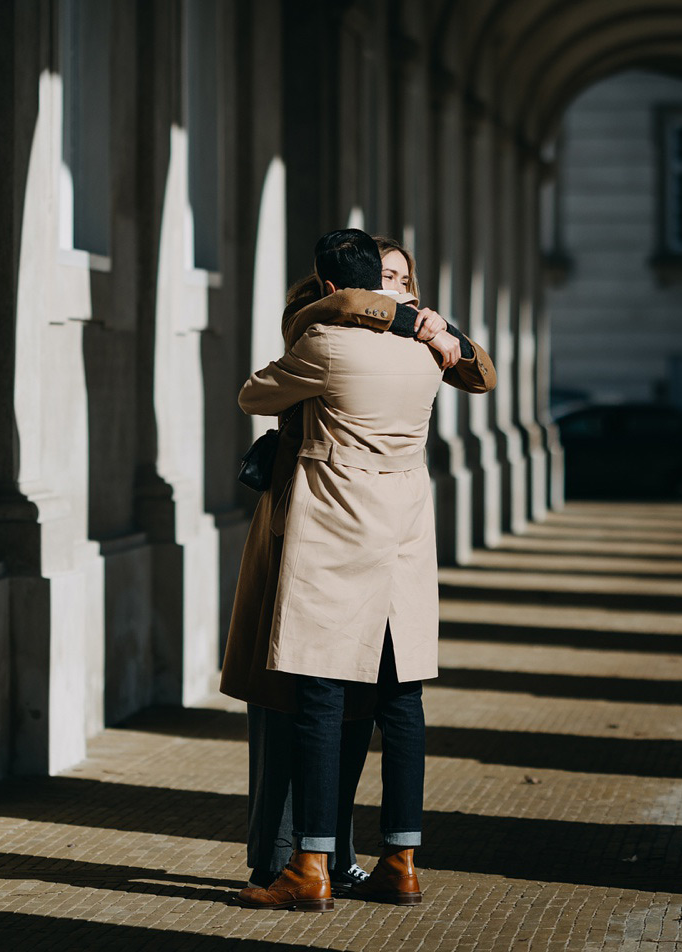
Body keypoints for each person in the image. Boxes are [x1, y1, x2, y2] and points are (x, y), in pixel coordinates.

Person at [223, 239, 495, 893]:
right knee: (403, 703)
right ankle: (401, 862)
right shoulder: (428, 351)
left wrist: (353, 314)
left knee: (318, 698)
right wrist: (419, 324)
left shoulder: (323, 343)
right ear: (379, 284)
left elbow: (252, 396)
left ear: (329, 284)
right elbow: (478, 372)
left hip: (332, 537)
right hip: (402, 537)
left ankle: (310, 866)